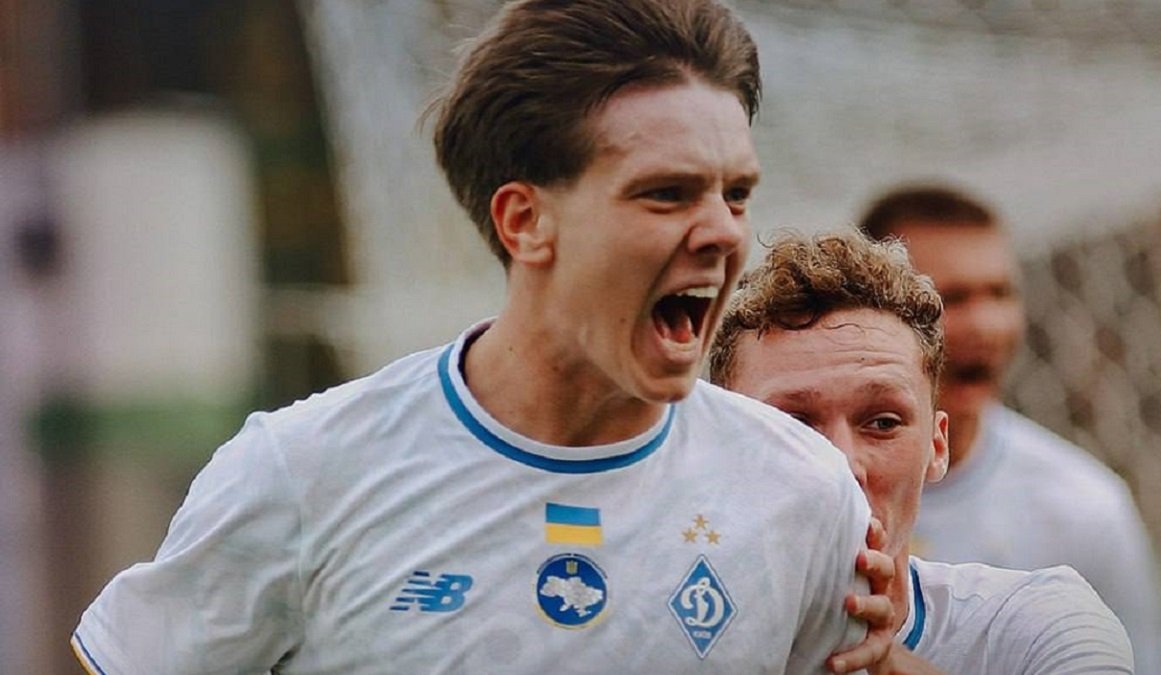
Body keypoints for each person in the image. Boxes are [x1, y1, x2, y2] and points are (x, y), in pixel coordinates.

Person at [70, 1, 888, 672]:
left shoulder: (803, 491)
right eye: (666, 194)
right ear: (525, 221)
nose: (722, 231)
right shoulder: (304, 471)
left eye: (736, 194)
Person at [711, 229, 1135, 673]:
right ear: (720, 454)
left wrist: (889, 664)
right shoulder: (666, 634)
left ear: (937, 445)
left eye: (882, 423)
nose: (843, 466)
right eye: (793, 428)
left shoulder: (1034, 628)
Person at [858, 185, 1161, 674]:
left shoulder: (1083, 508)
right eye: (950, 298)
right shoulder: (802, 487)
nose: (986, 325)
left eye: (1001, 293)